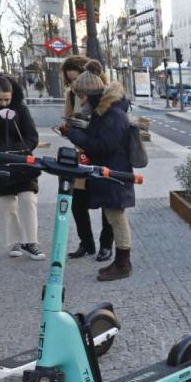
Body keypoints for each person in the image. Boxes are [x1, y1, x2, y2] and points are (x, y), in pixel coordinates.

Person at [66, 71, 136, 281]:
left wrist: (74, 134)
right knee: (113, 216)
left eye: (83, 96)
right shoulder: (104, 111)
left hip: (114, 172)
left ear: (92, 94)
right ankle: (121, 262)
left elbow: (104, 145)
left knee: (116, 217)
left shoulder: (113, 114)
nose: (80, 100)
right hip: (110, 170)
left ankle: (123, 264)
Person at [0, 74, 45, 260]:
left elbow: (32, 137)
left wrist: (21, 149)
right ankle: (14, 241)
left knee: (28, 199)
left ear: (13, 95)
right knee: (5, 203)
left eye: (7, 99)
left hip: (21, 161)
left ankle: (31, 242)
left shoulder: (20, 108)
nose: (4, 103)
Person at [60, 56, 114, 262]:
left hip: (102, 154)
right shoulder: (72, 94)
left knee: (107, 200)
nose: (74, 85)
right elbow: (68, 118)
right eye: (70, 81)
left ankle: (106, 245)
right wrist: (68, 128)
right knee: (77, 202)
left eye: (76, 79)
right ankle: (86, 243)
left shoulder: (104, 94)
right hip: (81, 153)